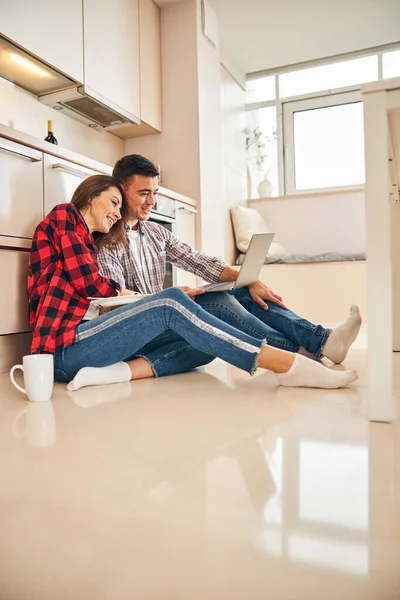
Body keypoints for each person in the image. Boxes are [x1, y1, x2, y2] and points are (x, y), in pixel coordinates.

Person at [27, 174, 358, 392]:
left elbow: (194, 260)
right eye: (113, 202)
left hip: (87, 344)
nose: (117, 211)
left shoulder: (91, 237)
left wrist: (247, 278)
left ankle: (311, 347)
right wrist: (157, 300)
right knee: (173, 303)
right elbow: (91, 286)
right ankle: (287, 364)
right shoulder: (65, 216)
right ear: (90, 197)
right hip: (60, 350)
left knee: (205, 340)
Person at [96, 154, 362, 378]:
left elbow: (199, 261)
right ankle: (317, 345)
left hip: (168, 318)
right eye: (144, 193)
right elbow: (114, 304)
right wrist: (170, 299)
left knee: (243, 290)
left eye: (154, 193)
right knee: (217, 303)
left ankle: (317, 344)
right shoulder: (104, 238)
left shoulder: (156, 233)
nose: (152, 202)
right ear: (120, 190)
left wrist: (248, 279)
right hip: (137, 332)